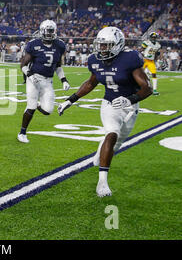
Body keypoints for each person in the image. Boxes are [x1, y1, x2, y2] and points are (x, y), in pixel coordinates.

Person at [58, 27, 152, 197]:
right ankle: (102, 182)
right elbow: (90, 83)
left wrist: (130, 99)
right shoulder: (94, 59)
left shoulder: (130, 58)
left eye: (106, 45)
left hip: (129, 106)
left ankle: (101, 151)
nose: (102, 49)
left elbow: (147, 88)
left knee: (118, 141)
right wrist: (70, 100)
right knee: (112, 133)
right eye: (100, 45)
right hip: (109, 104)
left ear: (117, 44)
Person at [17, 20, 70, 143]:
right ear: (42, 31)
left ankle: (36, 104)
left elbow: (58, 66)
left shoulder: (59, 45)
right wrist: (30, 75)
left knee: (47, 111)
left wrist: (64, 80)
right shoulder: (33, 44)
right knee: (31, 107)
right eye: (48, 31)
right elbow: (23, 64)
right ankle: (22, 133)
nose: (50, 33)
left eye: (52, 31)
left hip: (48, 81)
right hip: (34, 79)